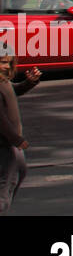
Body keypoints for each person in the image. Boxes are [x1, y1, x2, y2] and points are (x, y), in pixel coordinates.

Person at [0, 57, 38, 215]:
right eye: (2, 62)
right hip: (5, 142)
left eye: (9, 62)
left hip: (11, 142)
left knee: (20, 172)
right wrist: (17, 140)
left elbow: (12, 92)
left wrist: (29, 82)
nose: (6, 66)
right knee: (6, 182)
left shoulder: (4, 82)